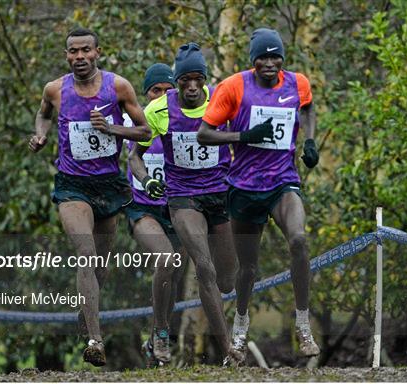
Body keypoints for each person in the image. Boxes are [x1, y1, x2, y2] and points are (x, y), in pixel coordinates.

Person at [28, 27, 151, 367]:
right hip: (72, 185)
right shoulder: (55, 89)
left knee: (100, 263)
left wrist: (111, 128)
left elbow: (145, 131)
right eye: (73, 52)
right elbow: (43, 114)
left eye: (85, 50)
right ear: (66, 55)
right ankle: (96, 340)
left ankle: (87, 312)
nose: (79, 57)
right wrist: (40, 136)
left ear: (98, 52)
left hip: (108, 185)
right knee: (85, 251)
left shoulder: (118, 87)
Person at [197, 28, 321, 363]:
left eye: (275, 56)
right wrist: (243, 135)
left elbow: (307, 108)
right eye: (262, 58)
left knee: (298, 240)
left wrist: (309, 141)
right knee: (248, 268)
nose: (269, 63)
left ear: (282, 58)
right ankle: (240, 324)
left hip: (282, 182)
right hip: (244, 188)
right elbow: (204, 134)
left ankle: (303, 323)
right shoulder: (234, 87)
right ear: (253, 61)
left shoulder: (298, 83)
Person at [129, 42, 239, 365]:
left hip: (218, 195)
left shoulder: (222, 101)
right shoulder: (157, 111)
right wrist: (147, 179)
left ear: (204, 80)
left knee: (226, 278)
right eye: (184, 81)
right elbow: (134, 156)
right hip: (180, 198)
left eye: (197, 79)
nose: (191, 87)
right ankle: (226, 348)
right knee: (202, 266)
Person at [122, 63, 182, 367]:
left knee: (174, 275)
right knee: (166, 259)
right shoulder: (138, 121)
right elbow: (129, 158)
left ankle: (158, 339)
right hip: (142, 208)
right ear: (146, 94)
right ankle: (160, 334)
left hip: (178, 209)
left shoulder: (183, 121)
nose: (162, 96)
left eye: (168, 91)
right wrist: (146, 180)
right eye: (156, 91)